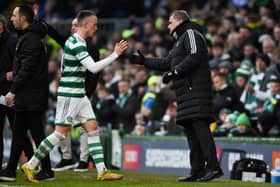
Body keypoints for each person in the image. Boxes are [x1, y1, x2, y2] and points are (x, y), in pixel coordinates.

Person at [21, 10, 127, 183]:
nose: (96, 28)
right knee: (60, 134)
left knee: (92, 128)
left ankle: (102, 171)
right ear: (85, 24)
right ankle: (31, 165)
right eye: (94, 24)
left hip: (79, 94)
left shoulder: (79, 42)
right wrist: (115, 55)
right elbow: (93, 68)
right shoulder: (76, 43)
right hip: (70, 94)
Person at [130, 10, 223, 182]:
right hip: (186, 94)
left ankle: (213, 167)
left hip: (196, 91)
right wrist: (144, 61)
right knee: (192, 132)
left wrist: (175, 72)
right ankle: (197, 170)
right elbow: (166, 62)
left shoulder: (191, 33)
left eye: (170, 22)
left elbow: (195, 55)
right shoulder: (180, 41)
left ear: (180, 21)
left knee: (201, 130)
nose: (168, 25)